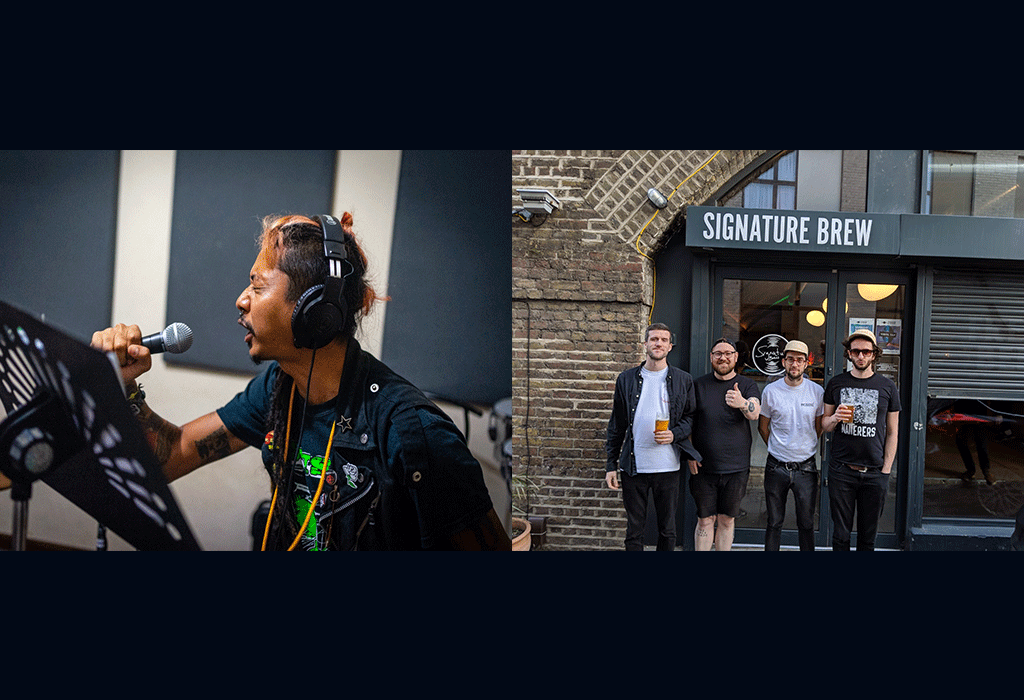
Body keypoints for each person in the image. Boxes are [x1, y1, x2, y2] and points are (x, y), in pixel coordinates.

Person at [90, 213, 509, 550]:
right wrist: (124, 387)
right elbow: (171, 457)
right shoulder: (279, 385)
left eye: (257, 285)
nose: (241, 299)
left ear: (315, 312)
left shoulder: (413, 433)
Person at [605, 323, 701, 551]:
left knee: (667, 530)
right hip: (633, 466)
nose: (658, 343)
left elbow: (690, 417)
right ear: (645, 344)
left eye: (663, 340)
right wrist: (611, 465)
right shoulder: (626, 379)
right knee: (634, 530)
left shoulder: (683, 379)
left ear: (670, 347)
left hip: (667, 467)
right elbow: (616, 425)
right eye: (654, 339)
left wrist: (674, 434)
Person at [822, 329, 901, 551]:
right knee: (840, 536)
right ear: (849, 354)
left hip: (874, 473)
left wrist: (886, 469)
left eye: (866, 352)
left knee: (868, 538)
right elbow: (824, 425)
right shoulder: (836, 383)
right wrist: (836, 417)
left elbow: (893, 431)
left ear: (874, 354)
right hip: (842, 471)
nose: (861, 356)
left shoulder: (887, 387)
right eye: (856, 351)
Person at [689, 338, 761, 551]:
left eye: (728, 353)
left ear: (736, 357)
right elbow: (688, 422)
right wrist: (690, 454)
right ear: (711, 357)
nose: (723, 357)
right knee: (704, 520)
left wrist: (742, 403)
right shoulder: (698, 385)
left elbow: (755, 413)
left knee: (727, 520)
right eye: (718, 353)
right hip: (703, 467)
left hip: (736, 467)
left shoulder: (747, 385)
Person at [757, 339, 823, 551]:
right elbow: (762, 427)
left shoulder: (816, 392)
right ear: (784, 362)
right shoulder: (771, 391)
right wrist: (778, 448)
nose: (795, 364)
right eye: (790, 359)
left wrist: (804, 445)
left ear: (806, 364)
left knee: (806, 523)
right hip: (776, 466)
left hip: (806, 468)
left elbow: (819, 427)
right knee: (774, 522)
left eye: (800, 360)